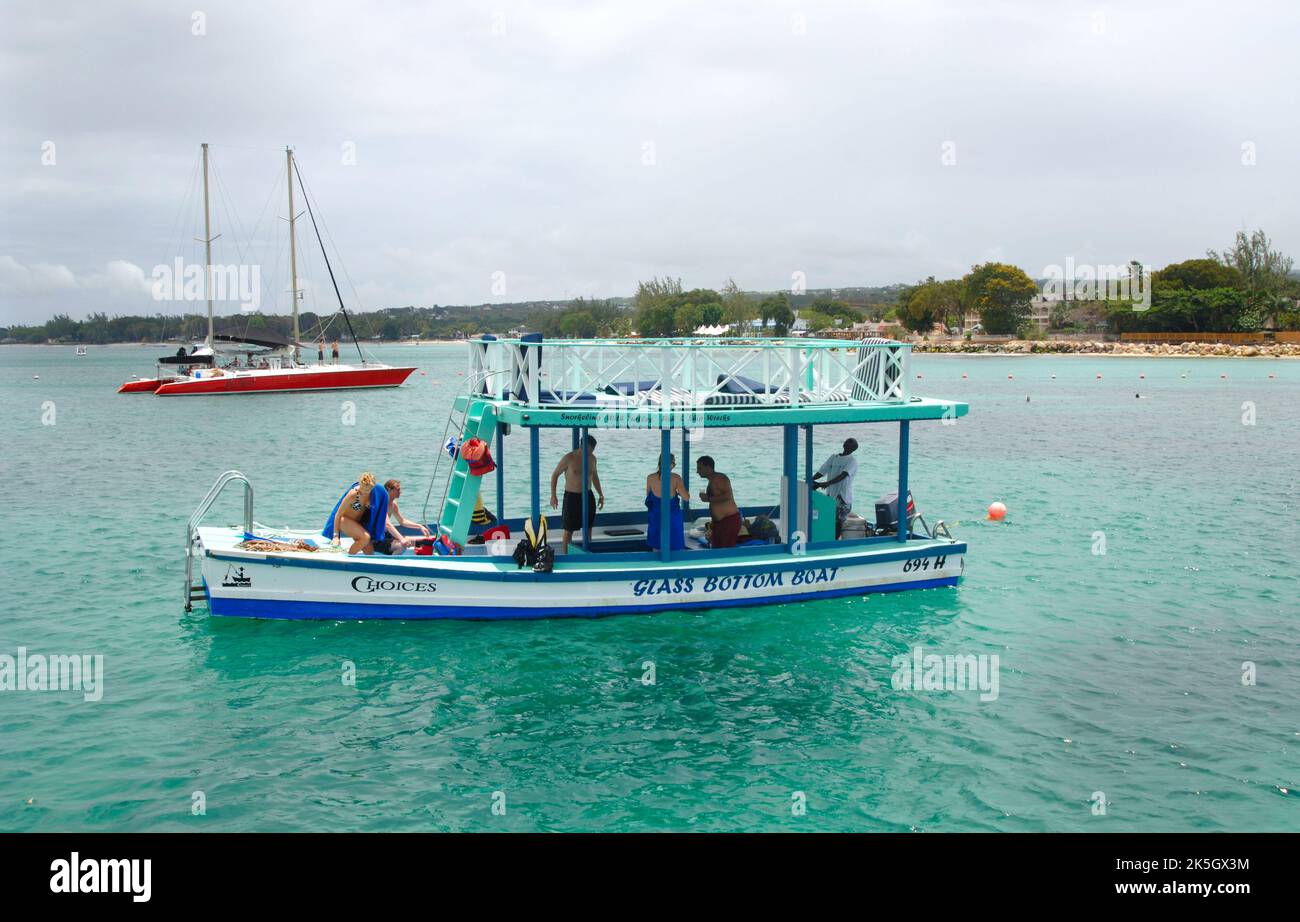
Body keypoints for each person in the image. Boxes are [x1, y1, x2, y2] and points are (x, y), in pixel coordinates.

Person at [549, 435, 604, 552]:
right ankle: (566, 556)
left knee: (588, 527)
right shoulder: (569, 458)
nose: (590, 453)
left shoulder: (593, 459)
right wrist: (553, 496)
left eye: (592, 450)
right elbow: (555, 475)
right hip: (572, 497)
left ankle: (588, 552)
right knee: (569, 529)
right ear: (582, 446)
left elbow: (595, 477)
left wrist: (601, 494)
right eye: (589, 450)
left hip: (588, 495)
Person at [326, 472, 390, 555]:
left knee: (369, 552)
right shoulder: (353, 494)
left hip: (357, 524)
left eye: (368, 490)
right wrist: (335, 536)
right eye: (363, 489)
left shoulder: (373, 495)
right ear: (360, 484)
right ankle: (349, 558)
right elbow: (338, 514)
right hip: (344, 521)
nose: (364, 492)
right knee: (366, 537)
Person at [811, 437, 859, 539]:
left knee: (837, 522)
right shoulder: (834, 457)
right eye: (847, 441)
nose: (847, 444)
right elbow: (822, 471)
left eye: (850, 443)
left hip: (842, 497)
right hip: (830, 496)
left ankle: (835, 541)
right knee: (828, 519)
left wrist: (826, 483)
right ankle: (827, 538)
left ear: (853, 448)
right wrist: (810, 479)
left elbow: (843, 475)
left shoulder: (852, 461)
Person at [373, 478, 430, 554]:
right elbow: (387, 524)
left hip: (386, 535)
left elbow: (402, 521)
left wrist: (420, 526)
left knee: (420, 541)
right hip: (376, 539)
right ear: (389, 490)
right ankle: (391, 564)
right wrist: (401, 539)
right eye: (398, 490)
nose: (400, 492)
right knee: (402, 545)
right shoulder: (381, 504)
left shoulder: (393, 504)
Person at [646, 453, 689, 552]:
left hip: (656, 517)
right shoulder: (676, 478)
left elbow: (648, 497)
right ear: (671, 464)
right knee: (675, 548)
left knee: (656, 548)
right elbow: (686, 498)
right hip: (672, 517)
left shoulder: (650, 478)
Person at [696, 455, 741, 548]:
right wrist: (712, 526)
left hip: (729, 521)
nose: (697, 471)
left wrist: (708, 499)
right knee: (716, 551)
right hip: (719, 523)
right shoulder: (712, 481)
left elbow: (728, 496)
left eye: (699, 468)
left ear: (708, 467)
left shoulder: (719, 478)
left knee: (725, 553)